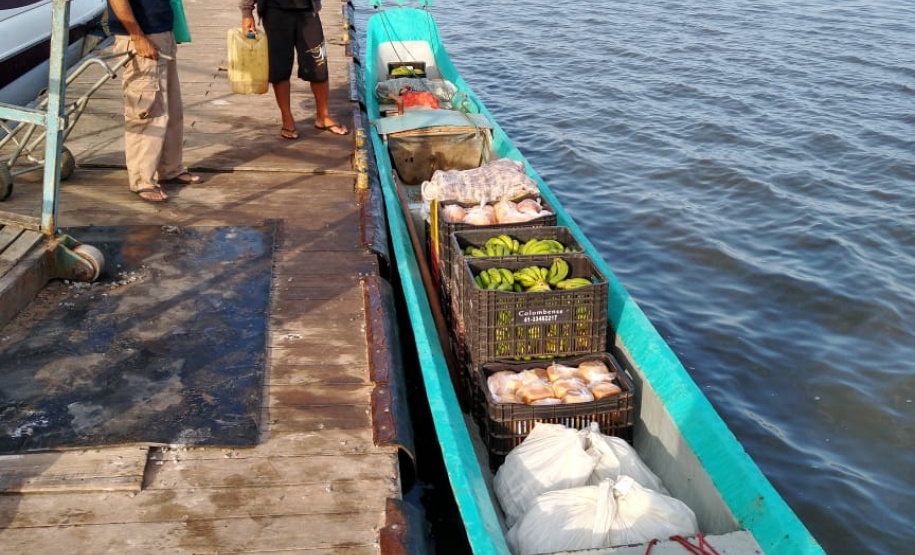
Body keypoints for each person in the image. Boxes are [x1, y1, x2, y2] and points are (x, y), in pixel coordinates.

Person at [107, 0, 201, 203]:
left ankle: (170, 168)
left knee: (171, 107)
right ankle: (142, 179)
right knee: (146, 110)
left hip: (162, 33)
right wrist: (138, 36)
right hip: (141, 37)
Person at [239, 0, 350, 139]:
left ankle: (323, 115)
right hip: (275, 12)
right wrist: (247, 12)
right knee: (280, 68)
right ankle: (287, 118)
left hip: (308, 11)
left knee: (319, 64)